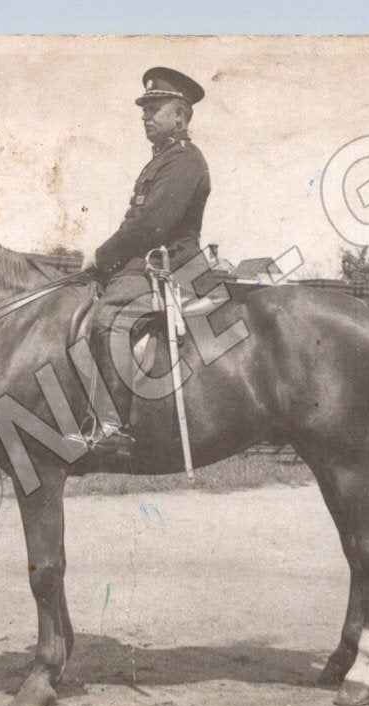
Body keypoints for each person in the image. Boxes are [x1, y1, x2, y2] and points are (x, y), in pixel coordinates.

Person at [78, 67, 211, 456]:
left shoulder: (185, 161)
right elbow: (135, 222)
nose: (145, 115)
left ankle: (113, 426)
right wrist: (105, 265)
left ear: (180, 115)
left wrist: (103, 256)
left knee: (108, 320)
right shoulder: (160, 161)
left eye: (155, 107)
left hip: (173, 267)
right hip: (147, 265)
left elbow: (152, 224)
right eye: (144, 108)